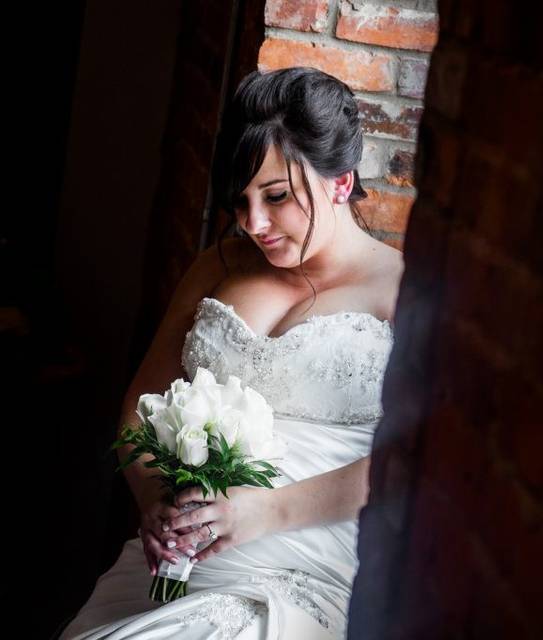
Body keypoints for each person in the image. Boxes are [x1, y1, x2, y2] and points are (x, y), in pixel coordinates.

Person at [58, 67, 404, 639]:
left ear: (341, 181)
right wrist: (153, 502)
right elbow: (137, 411)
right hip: (172, 563)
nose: (254, 224)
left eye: (275, 197)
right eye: (241, 201)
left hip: (301, 569)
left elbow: (415, 463)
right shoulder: (218, 266)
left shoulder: (402, 292)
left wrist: (262, 512)